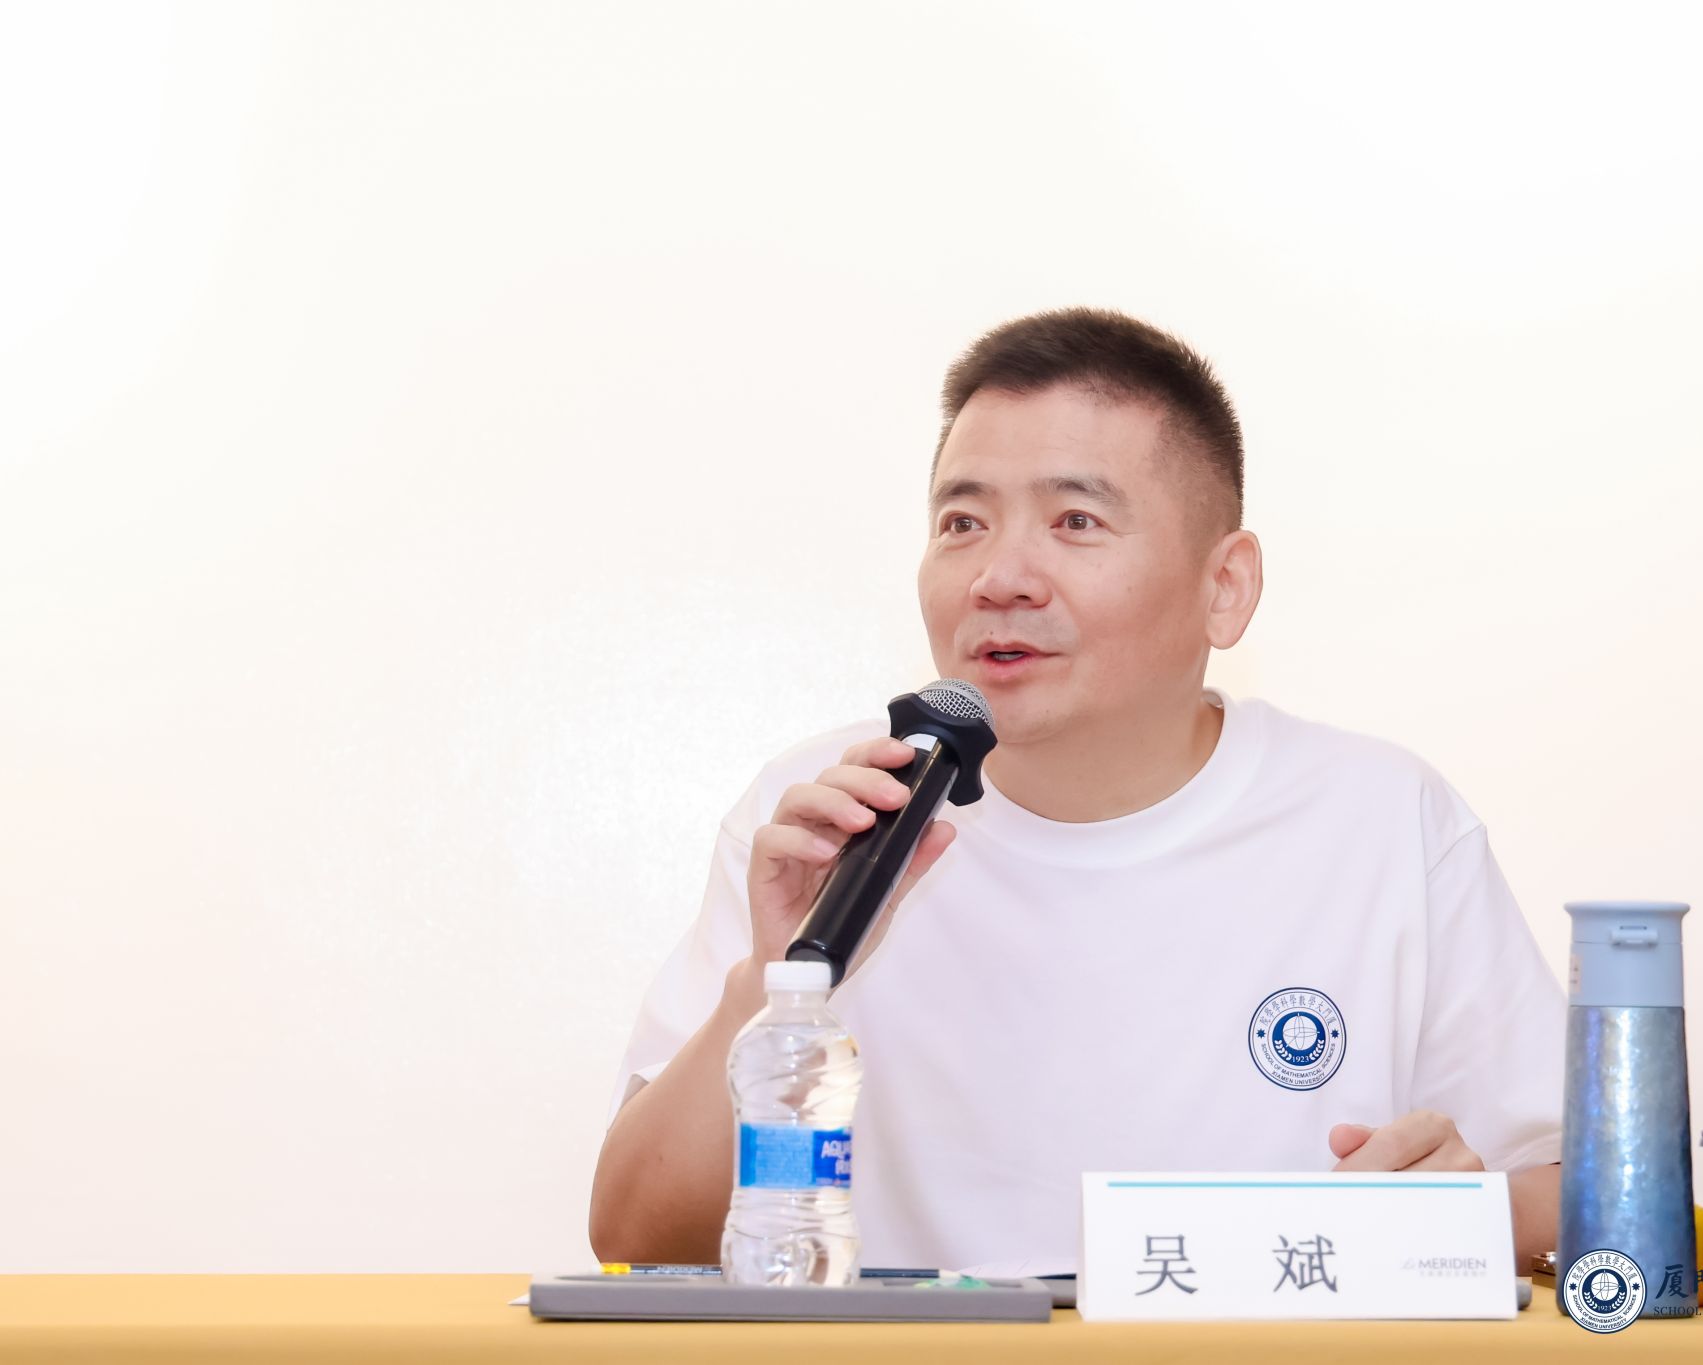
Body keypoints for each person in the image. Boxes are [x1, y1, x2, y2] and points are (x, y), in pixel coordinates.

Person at [589, 307, 1565, 1273]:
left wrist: (1458, 1208)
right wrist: (779, 980)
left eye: (1075, 521)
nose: (1000, 577)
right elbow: (635, 1232)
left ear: (1224, 586)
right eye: (962, 523)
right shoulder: (828, 816)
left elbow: (1582, 1194)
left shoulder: (1379, 819)